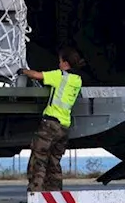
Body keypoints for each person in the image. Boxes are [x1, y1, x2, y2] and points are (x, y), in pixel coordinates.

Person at [18, 46, 85, 193]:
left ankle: (36, 193)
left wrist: (22, 71)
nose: (59, 64)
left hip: (51, 124)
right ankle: (55, 194)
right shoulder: (77, 80)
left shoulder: (60, 76)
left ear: (66, 64)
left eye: (60, 61)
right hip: (64, 126)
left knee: (39, 159)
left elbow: (37, 75)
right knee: (54, 162)